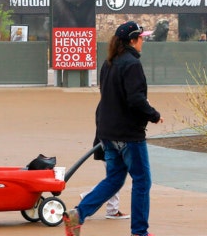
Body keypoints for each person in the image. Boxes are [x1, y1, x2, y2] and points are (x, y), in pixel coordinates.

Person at [63, 21, 163, 236]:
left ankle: (79, 214)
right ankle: (139, 231)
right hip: (129, 134)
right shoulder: (132, 64)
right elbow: (135, 99)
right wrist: (154, 115)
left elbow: (107, 98)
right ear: (132, 40)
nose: (143, 41)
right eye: (141, 37)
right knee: (142, 181)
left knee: (114, 179)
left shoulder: (109, 63)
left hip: (108, 133)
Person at [79, 137, 130, 220]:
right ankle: (111, 209)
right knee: (114, 180)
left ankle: (112, 209)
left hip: (105, 144)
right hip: (108, 146)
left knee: (113, 179)